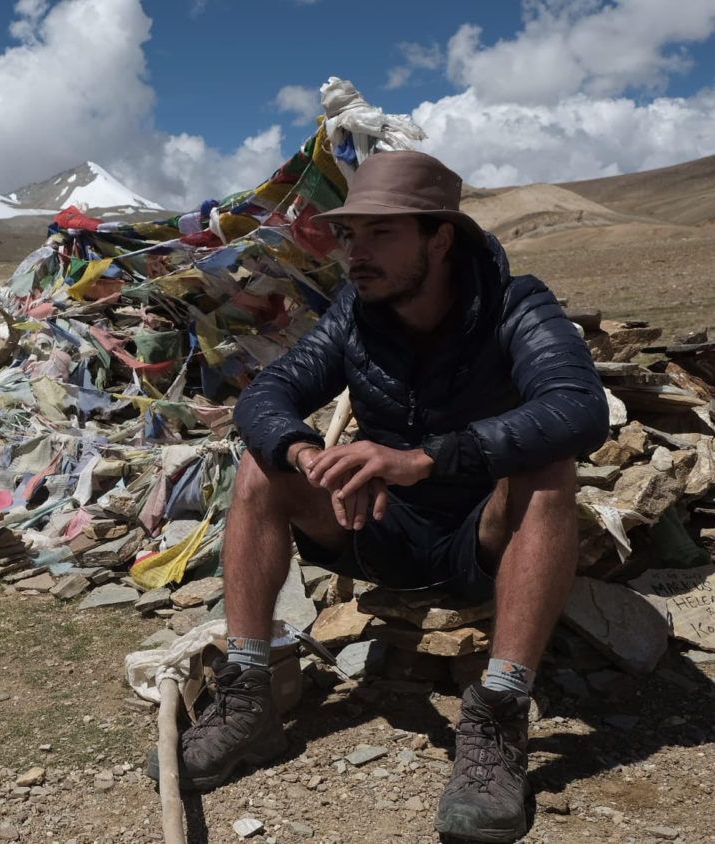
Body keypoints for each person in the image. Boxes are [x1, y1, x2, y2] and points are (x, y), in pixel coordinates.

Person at [173, 151, 609, 843]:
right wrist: (307, 454)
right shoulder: (356, 311)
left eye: (381, 234)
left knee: (548, 470)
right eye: (349, 235)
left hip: (481, 538)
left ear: (439, 238)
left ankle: (497, 715)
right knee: (262, 467)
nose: (355, 253)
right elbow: (269, 392)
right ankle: (251, 692)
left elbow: (580, 408)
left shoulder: (514, 304)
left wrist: (424, 458)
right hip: (375, 528)